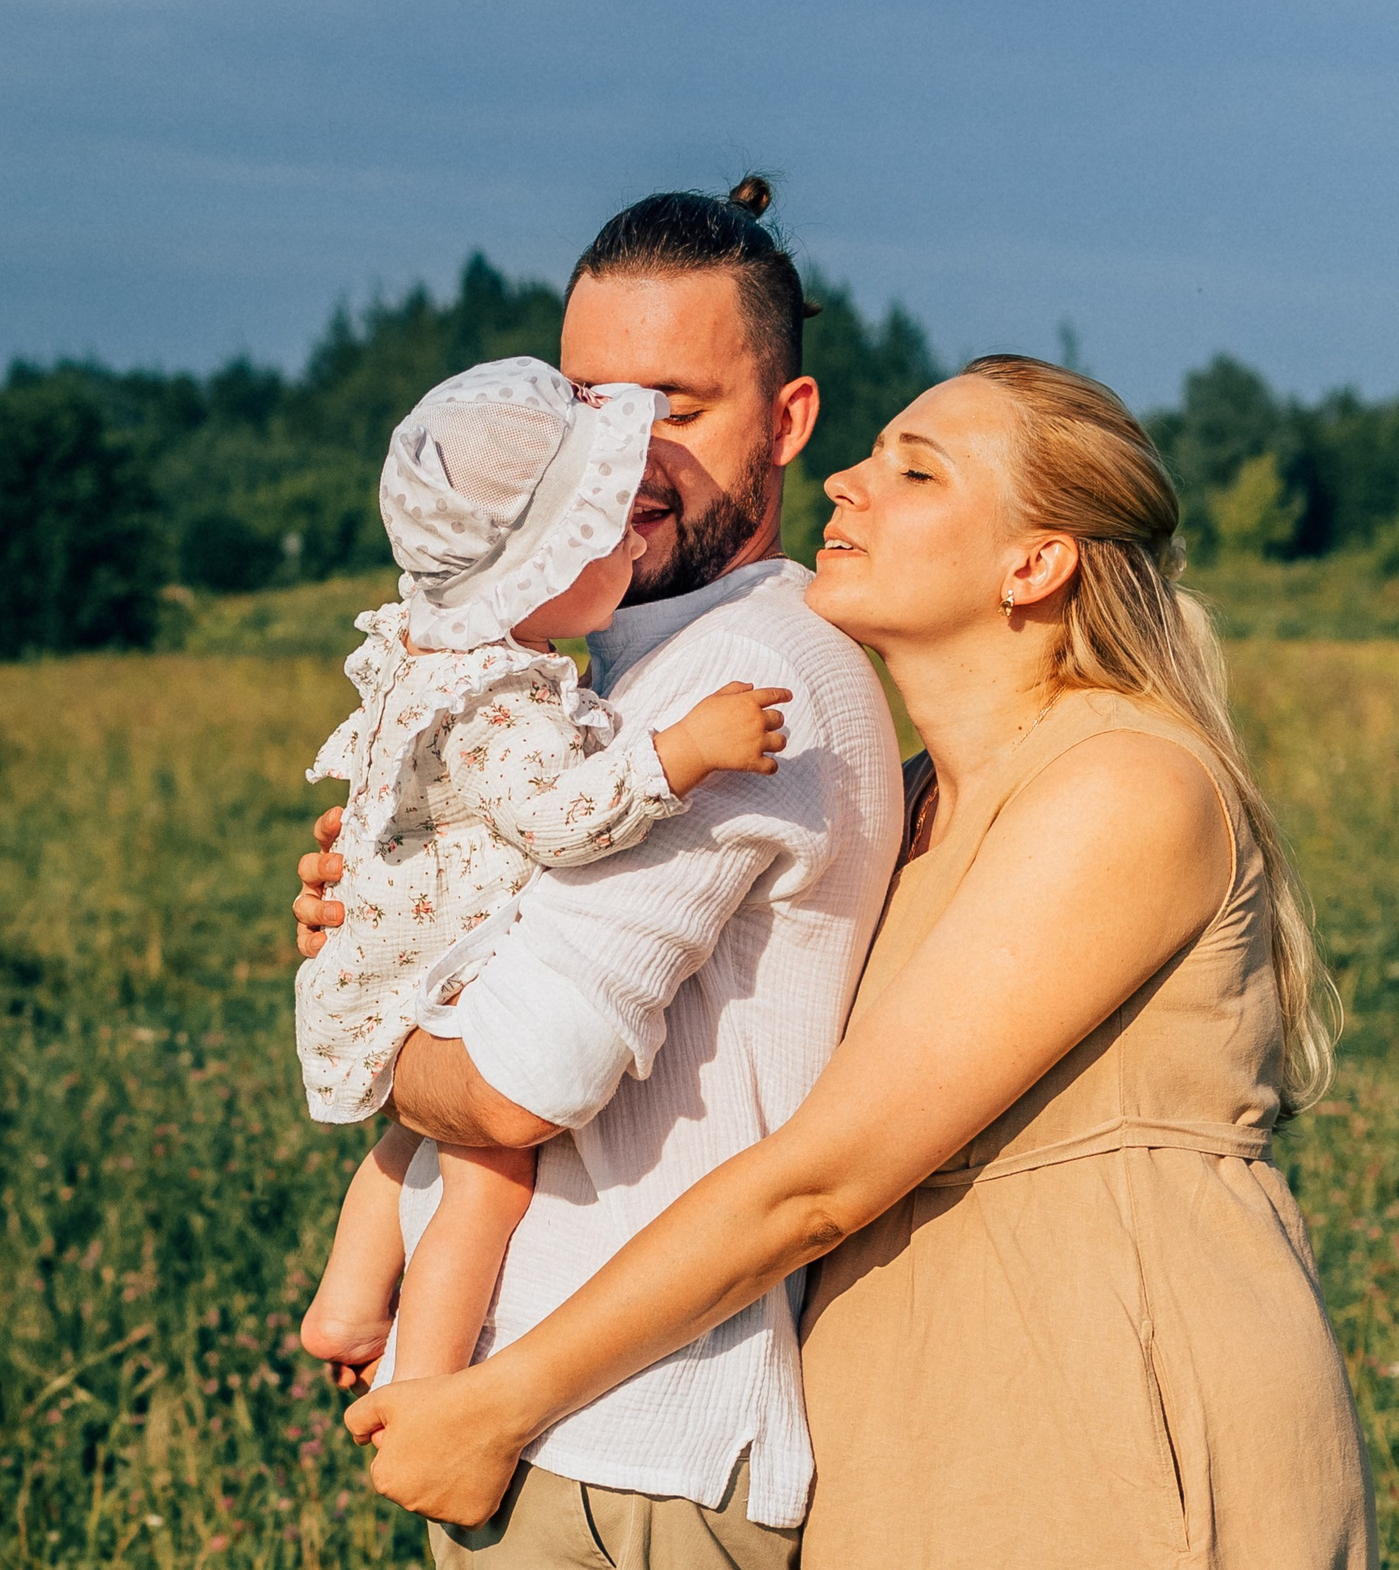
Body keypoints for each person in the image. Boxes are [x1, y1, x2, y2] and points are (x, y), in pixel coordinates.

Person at [338, 356, 1375, 1567]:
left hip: (1109, 1401)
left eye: (913, 469)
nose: (845, 482)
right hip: (903, 1422)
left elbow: (817, 1179)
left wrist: (502, 1399)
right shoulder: (919, 800)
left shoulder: (1121, 787)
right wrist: (384, 912)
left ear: (1033, 565)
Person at [296, 175, 905, 1566]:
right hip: (566, 1430)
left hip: (627, 1456)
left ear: (789, 424)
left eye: (676, 408)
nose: (625, 453)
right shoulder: (608, 680)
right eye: (589, 403)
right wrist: (395, 904)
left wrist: (361, 999)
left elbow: (523, 1078)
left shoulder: (739, 678)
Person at [294, 358, 792, 1389]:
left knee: (411, 1137)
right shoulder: (504, 699)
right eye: (598, 529)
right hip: (440, 962)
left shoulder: (435, 661)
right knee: (488, 1173)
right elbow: (561, 820)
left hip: (396, 956)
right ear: (539, 567)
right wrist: (680, 753)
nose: (627, 534)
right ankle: (428, 1381)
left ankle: (347, 1298)